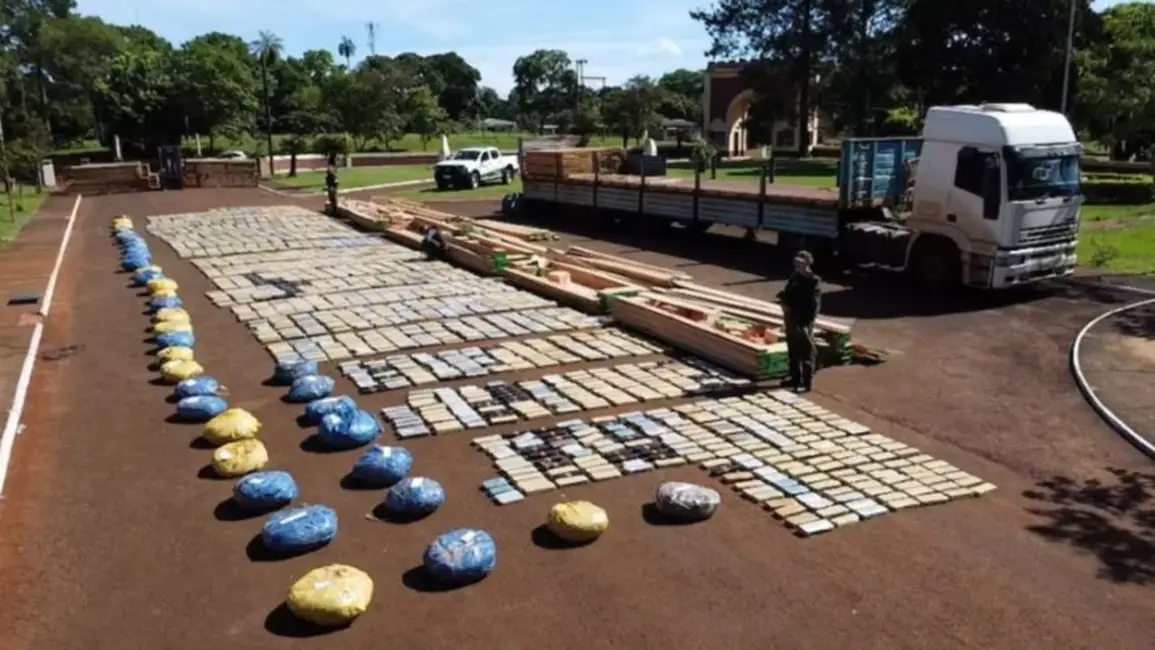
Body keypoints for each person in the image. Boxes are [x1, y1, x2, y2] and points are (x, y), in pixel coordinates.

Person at [776, 250, 822, 393]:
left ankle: (807, 382)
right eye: (796, 262)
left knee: (806, 350)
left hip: (803, 320)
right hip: (791, 317)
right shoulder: (794, 277)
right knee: (793, 350)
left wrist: (807, 323)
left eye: (801, 263)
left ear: (808, 263)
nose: (798, 265)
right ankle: (794, 378)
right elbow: (788, 293)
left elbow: (814, 306)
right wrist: (784, 302)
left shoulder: (813, 281)